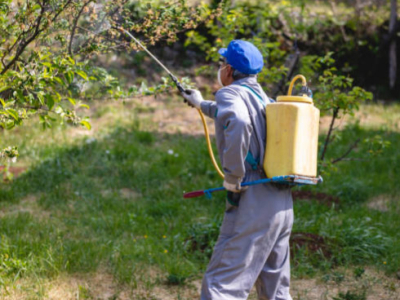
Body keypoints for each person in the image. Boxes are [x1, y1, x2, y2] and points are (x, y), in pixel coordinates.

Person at [181, 40, 293, 300]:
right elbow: (236, 114)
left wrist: (233, 177)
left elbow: (240, 120)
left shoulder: (229, 93)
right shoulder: (267, 99)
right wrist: (200, 103)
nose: (219, 69)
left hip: (253, 202)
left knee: (223, 286)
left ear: (229, 71)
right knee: (275, 290)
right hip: (281, 203)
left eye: (221, 65)